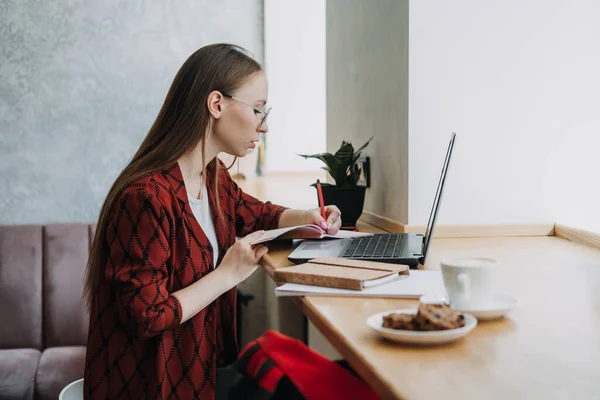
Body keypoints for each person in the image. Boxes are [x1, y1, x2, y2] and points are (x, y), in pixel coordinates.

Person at [82, 43, 342, 399]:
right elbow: (147, 317)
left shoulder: (211, 176)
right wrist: (227, 274)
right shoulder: (145, 198)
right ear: (217, 104)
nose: (263, 127)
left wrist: (308, 219)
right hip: (157, 386)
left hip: (201, 373)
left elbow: (255, 214)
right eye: (258, 110)